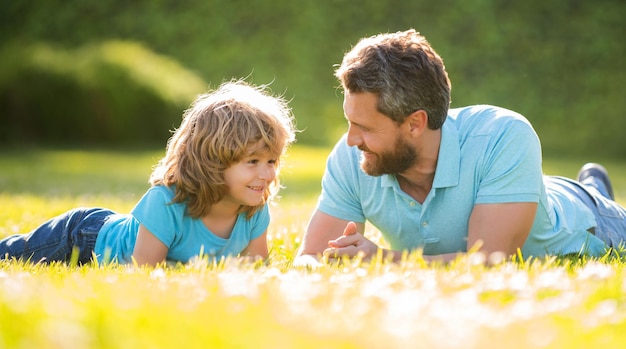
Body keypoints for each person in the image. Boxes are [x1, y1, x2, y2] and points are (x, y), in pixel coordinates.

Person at [295, 29, 625, 266]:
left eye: (365, 128)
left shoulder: (504, 135)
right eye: (350, 123)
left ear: (415, 123)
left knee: (592, 203)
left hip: (594, 220)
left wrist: (382, 260)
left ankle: (593, 188)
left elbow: (491, 261)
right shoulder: (352, 154)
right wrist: (313, 267)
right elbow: (310, 256)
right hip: (512, 190)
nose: (351, 139)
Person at [0, 80, 296, 267]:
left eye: (271, 161)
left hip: (99, 232)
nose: (267, 174)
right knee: (14, 253)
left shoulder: (253, 208)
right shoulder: (167, 202)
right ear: (214, 162)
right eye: (253, 161)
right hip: (83, 237)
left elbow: (257, 268)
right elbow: (143, 272)